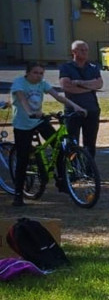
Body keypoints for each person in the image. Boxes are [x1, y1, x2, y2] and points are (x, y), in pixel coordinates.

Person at [9, 62, 87, 207]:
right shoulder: (19, 83)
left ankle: (62, 181)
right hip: (23, 124)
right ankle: (18, 194)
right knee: (23, 158)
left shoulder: (42, 84)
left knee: (59, 147)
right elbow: (21, 99)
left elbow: (58, 96)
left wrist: (77, 107)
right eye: (35, 73)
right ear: (28, 73)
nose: (38, 76)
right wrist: (29, 112)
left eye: (41, 73)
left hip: (38, 120)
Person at [58, 40, 103, 158]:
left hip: (92, 109)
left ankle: (89, 171)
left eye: (86, 50)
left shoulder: (93, 67)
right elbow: (66, 86)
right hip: (73, 110)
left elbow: (99, 84)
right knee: (72, 143)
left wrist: (79, 83)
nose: (85, 52)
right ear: (74, 52)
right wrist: (90, 86)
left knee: (90, 143)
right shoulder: (66, 68)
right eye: (81, 50)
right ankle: (73, 171)